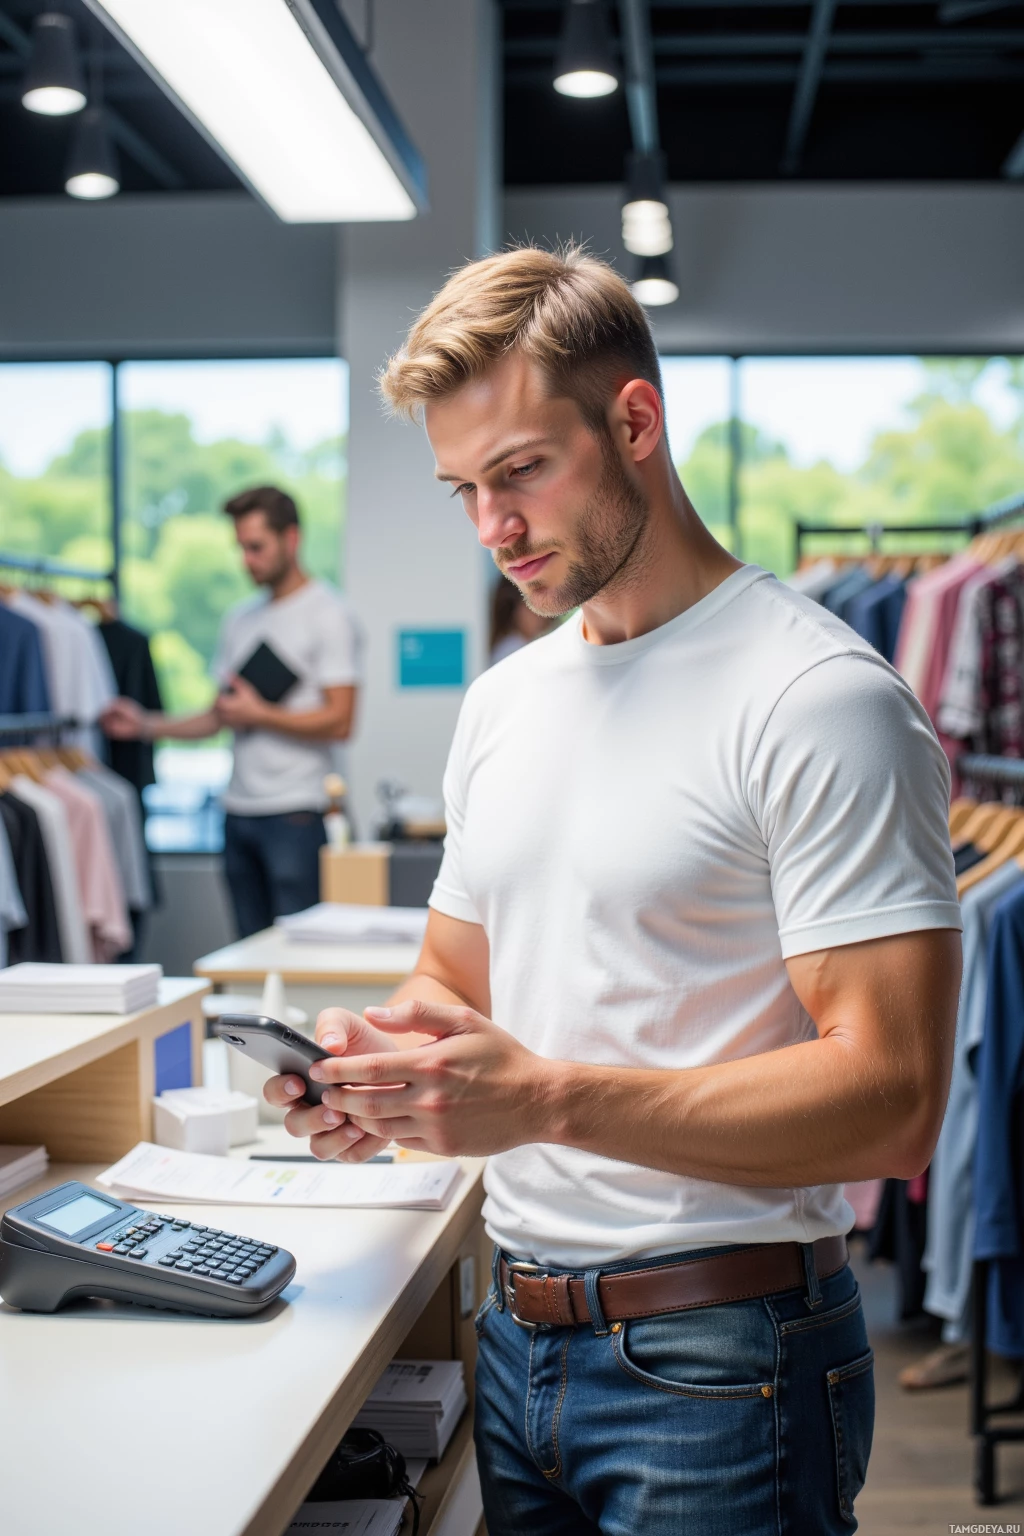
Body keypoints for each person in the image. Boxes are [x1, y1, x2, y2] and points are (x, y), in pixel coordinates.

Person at [263, 248, 962, 1533]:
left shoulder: (818, 700)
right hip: (520, 1341)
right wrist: (386, 1070)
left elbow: (895, 1102)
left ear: (634, 421)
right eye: (463, 488)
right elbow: (453, 980)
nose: (492, 529)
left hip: (726, 1359)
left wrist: (540, 1098)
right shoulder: (505, 703)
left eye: (521, 471)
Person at [103, 485, 360, 938]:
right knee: (247, 950)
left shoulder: (328, 614)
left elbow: (341, 721)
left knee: (301, 953)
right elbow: (219, 715)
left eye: (256, 547)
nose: (247, 560)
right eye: (241, 547)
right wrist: (144, 724)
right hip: (237, 811)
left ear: (292, 539)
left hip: (296, 813)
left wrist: (260, 714)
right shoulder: (240, 619)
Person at [489, 572, 556, 665]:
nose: (541, 615)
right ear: (515, 608)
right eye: (533, 606)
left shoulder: (521, 645)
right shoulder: (512, 650)